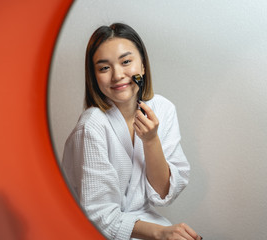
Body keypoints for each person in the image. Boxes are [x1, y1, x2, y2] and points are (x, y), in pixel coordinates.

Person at [62, 23, 202, 240]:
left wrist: (151, 140)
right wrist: (161, 233)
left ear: (143, 66)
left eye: (126, 62)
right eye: (104, 68)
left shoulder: (163, 109)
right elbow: (98, 215)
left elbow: (164, 194)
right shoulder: (91, 127)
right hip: (94, 231)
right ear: (94, 76)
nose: (118, 75)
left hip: (143, 223)